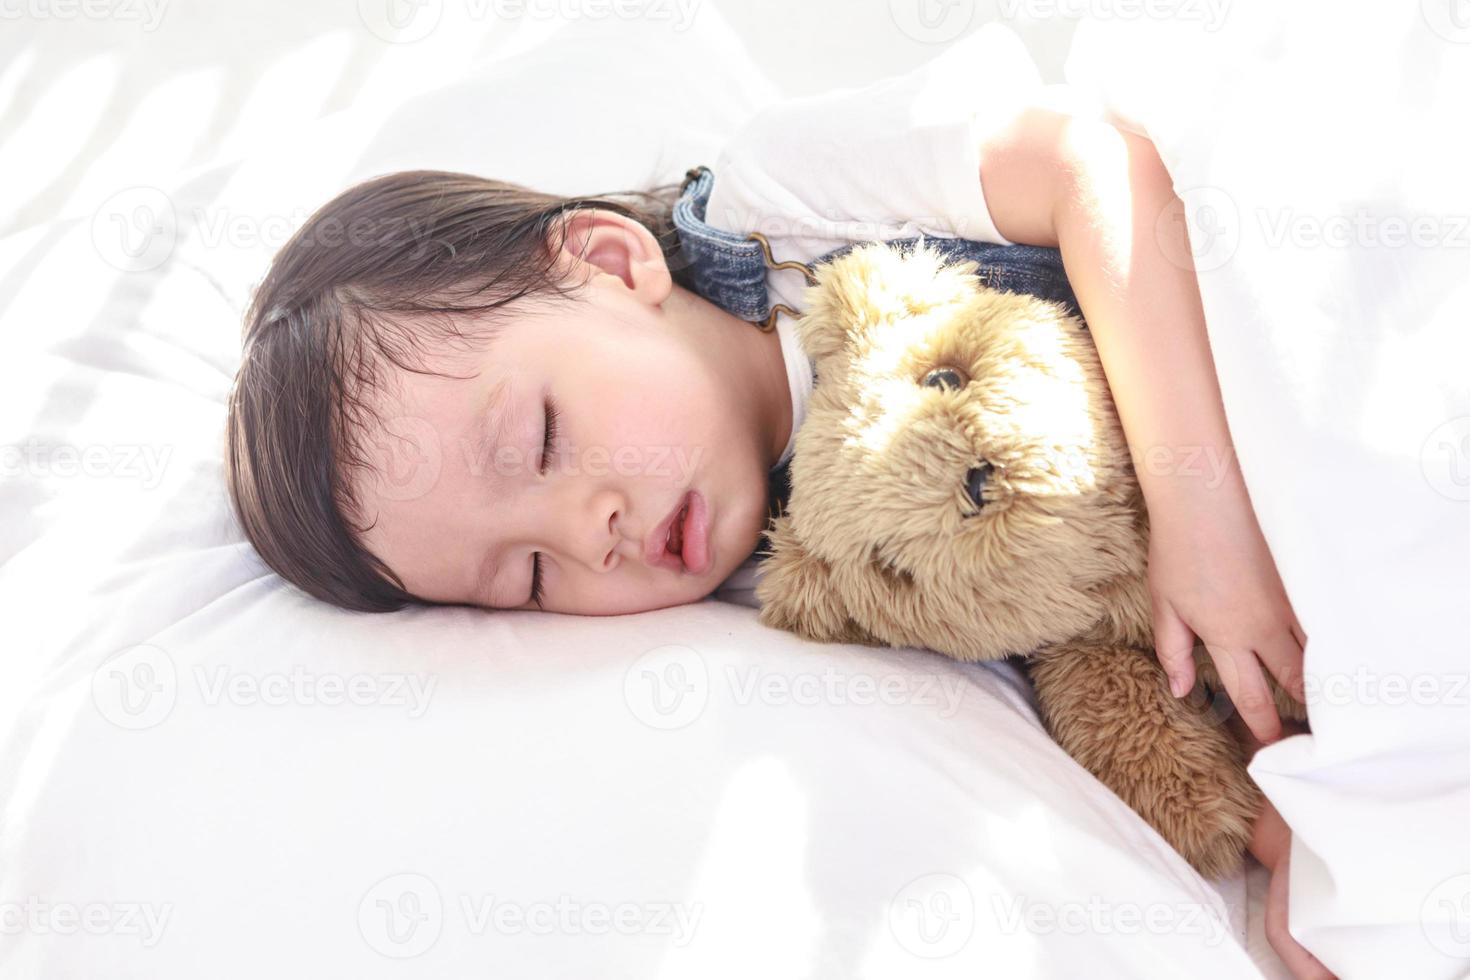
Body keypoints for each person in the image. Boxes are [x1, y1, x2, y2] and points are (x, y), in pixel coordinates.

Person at [223, 26, 1324, 977]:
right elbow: (1101, 664)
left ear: (611, 264)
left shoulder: (782, 205)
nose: (587, 534)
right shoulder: (780, 591)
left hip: (1251, 362)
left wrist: (1201, 512)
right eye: (529, 576)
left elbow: (1096, 162)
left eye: (542, 440)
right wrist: (1299, 810)